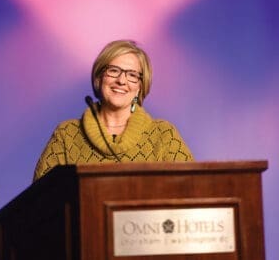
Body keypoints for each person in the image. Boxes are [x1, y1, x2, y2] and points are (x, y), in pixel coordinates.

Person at [33, 40, 193, 180]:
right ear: (99, 77)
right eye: (114, 71)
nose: (121, 80)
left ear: (140, 87)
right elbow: (39, 203)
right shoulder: (66, 135)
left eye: (132, 75)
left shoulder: (164, 135)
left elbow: (193, 191)